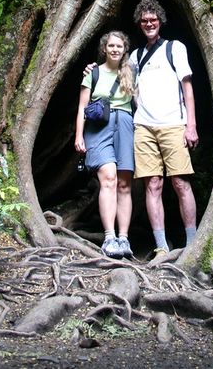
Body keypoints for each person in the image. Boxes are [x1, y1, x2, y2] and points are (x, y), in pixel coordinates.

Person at [131, 0, 199, 256]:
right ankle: (161, 246)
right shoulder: (136, 56)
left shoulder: (174, 48)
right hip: (144, 127)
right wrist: (92, 69)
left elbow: (187, 88)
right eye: (145, 20)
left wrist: (190, 125)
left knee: (180, 183)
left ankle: (192, 243)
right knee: (153, 185)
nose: (149, 23)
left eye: (153, 19)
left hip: (173, 125)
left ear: (160, 21)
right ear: (140, 23)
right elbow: (120, 79)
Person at [75, 31, 135, 259]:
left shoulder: (132, 72)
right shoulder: (93, 73)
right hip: (99, 128)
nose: (115, 49)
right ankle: (109, 237)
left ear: (124, 48)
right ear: (104, 48)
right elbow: (82, 107)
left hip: (126, 126)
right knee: (108, 177)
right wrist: (78, 136)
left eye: (119, 46)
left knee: (124, 184)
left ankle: (124, 238)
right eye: (111, 46)